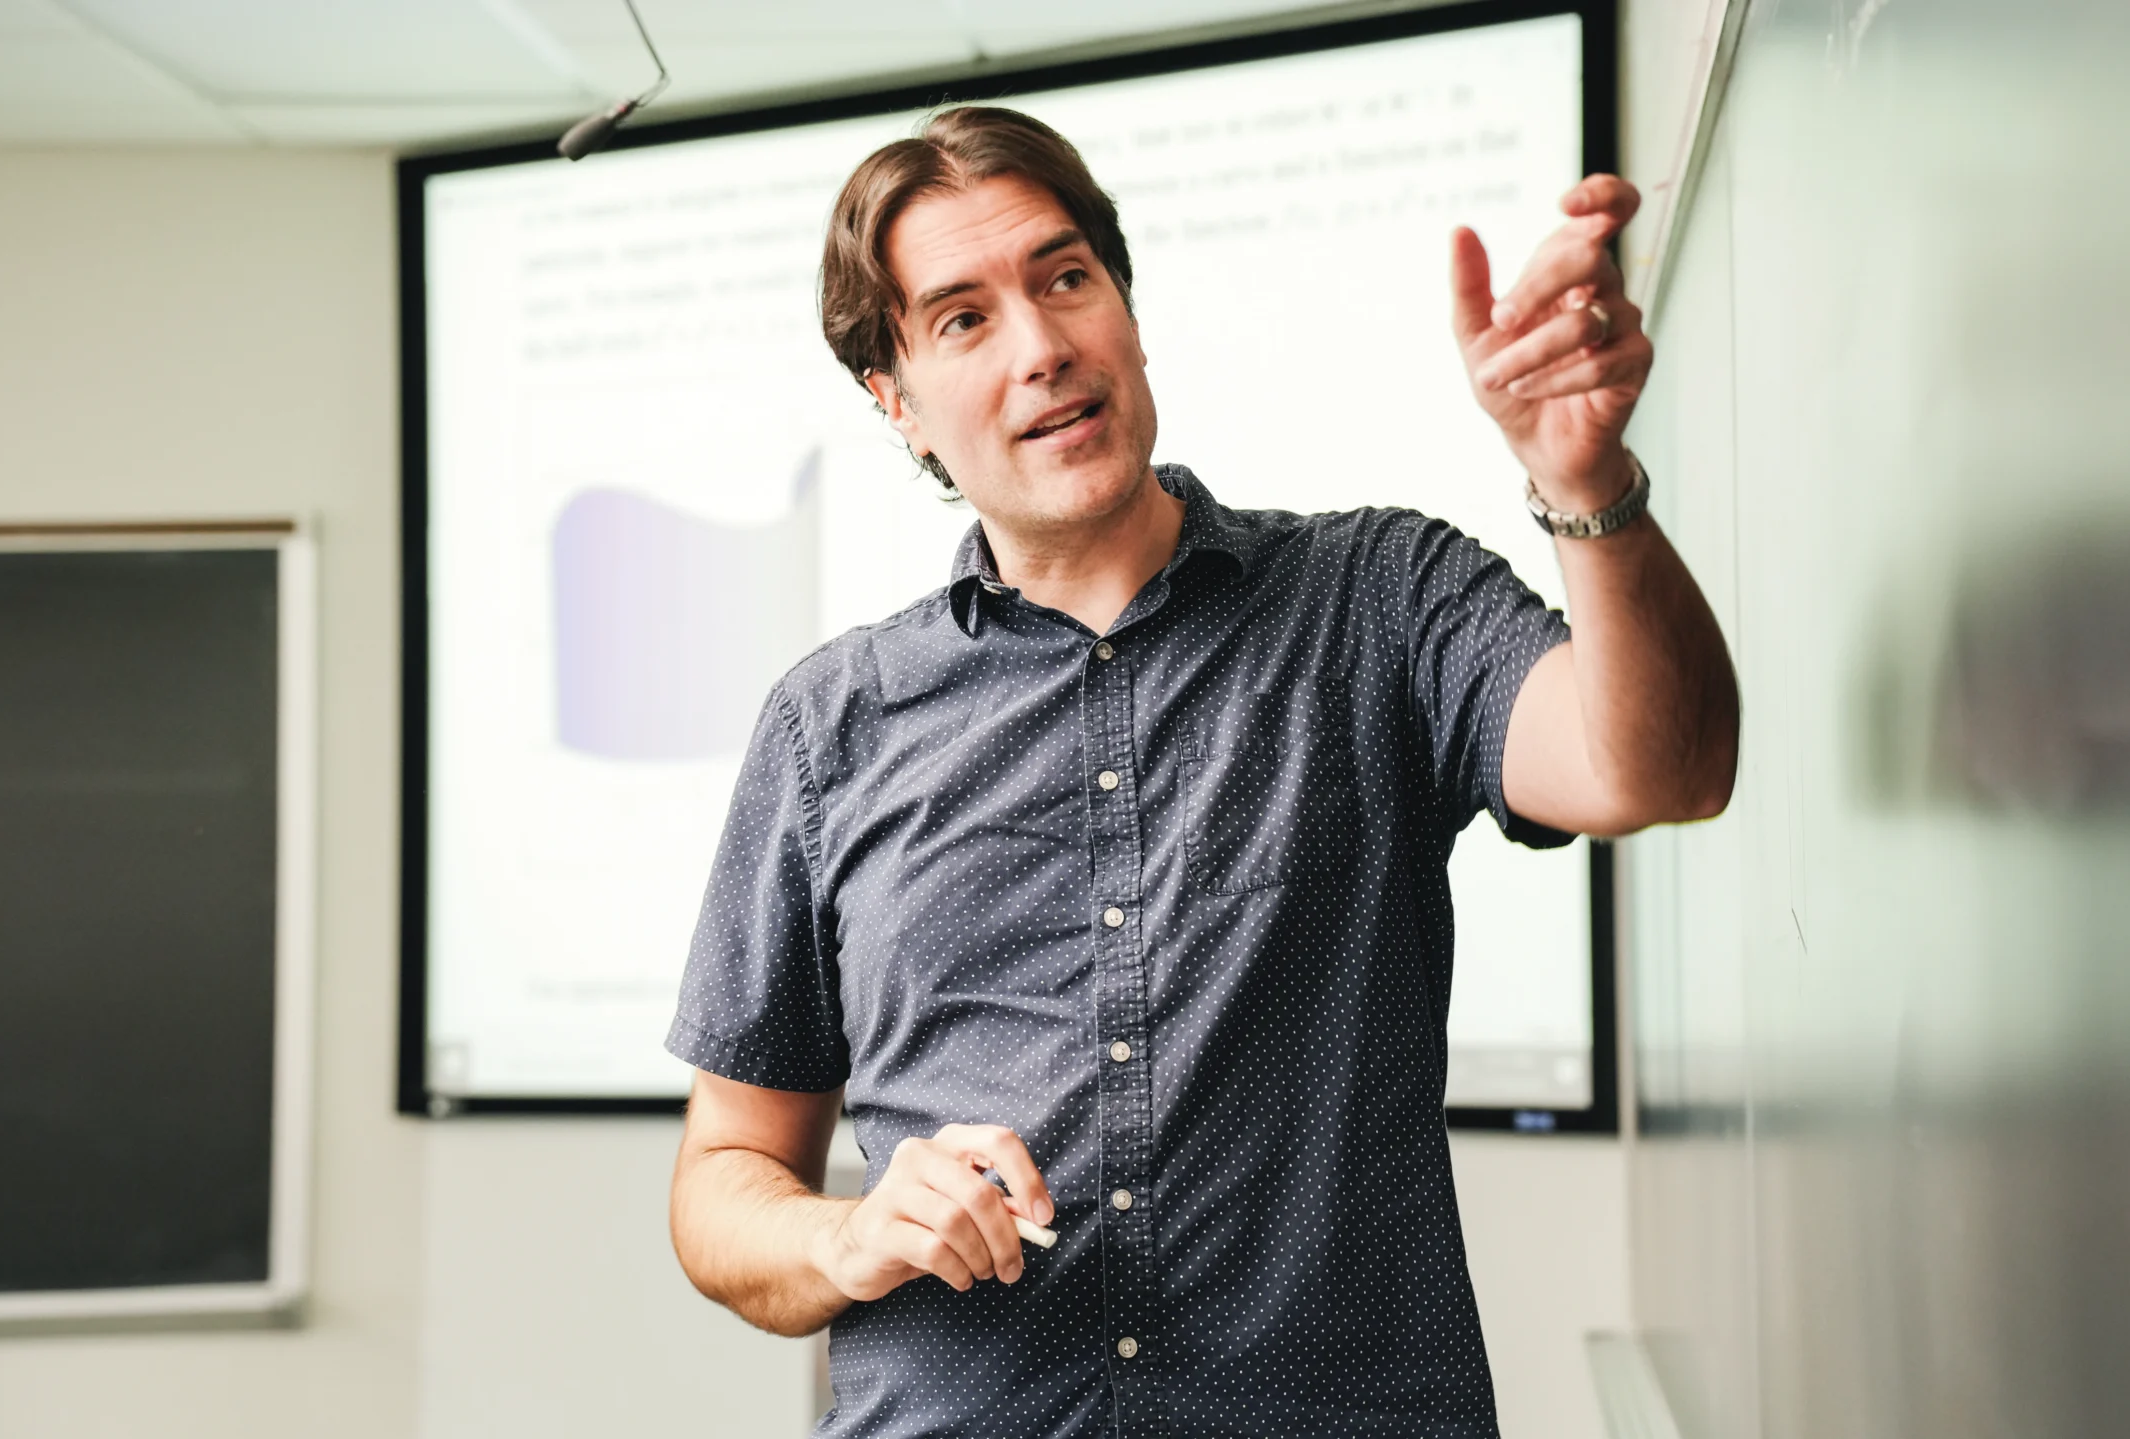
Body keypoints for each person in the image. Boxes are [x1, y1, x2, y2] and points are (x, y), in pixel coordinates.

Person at [664, 105, 1737, 1437]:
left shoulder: (1378, 599)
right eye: (962, 319)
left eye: (1066, 279)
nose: (1044, 348)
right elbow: (722, 1178)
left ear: (1127, 305)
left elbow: (1661, 764)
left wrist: (1589, 484)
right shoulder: (830, 728)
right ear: (898, 403)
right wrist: (847, 1234)